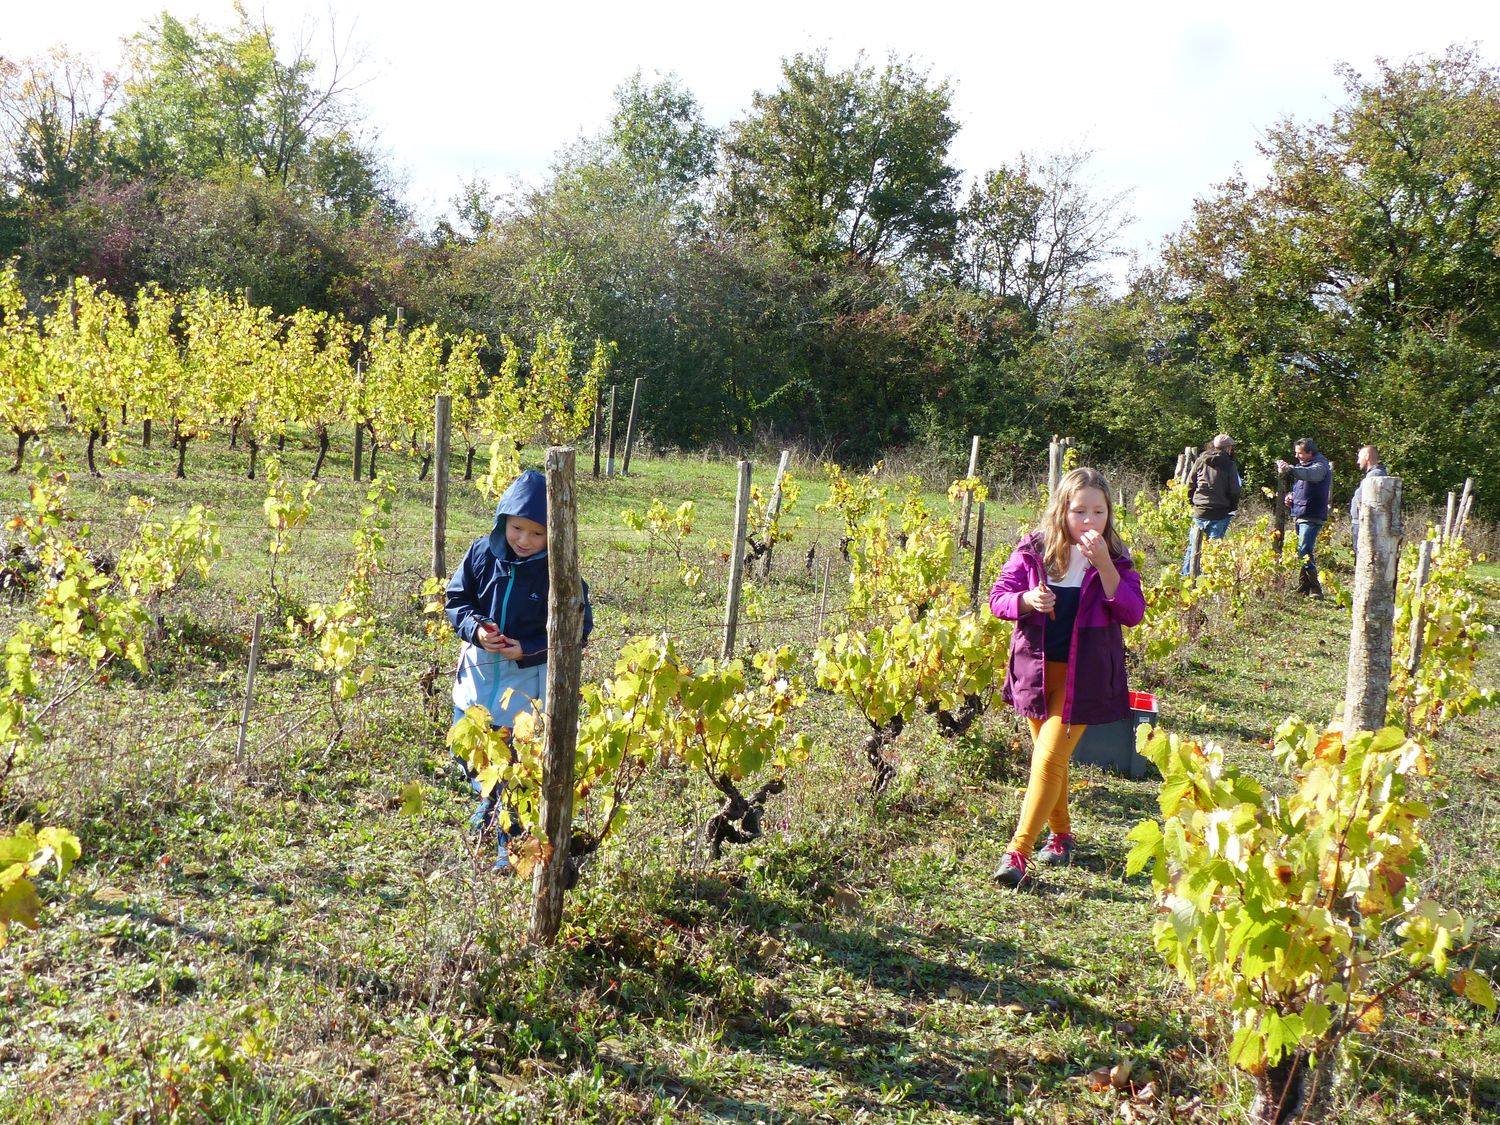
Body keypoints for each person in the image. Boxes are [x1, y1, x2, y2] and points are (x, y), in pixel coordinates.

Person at [987, 467, 1146, 888]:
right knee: (1048, 758)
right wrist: (1026, 600)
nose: (1090, 521)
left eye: (1098, 511)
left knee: (1049, 758)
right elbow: (998, 598)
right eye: (1080, 511)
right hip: (1036, 672)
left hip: (1084, 678)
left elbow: (1132, 612)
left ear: (1110, 514)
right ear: (1062, 511)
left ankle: (1018, 852)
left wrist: (1104, 566)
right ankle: (1060, 838)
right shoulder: (1034, 550)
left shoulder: (1115, 558)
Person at [445, 469, 593, 872]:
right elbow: (456, 600)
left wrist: (526, 650)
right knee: (466, 753)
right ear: (502, 522)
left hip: (523, 688)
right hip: (475, 683)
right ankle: (487, 801)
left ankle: (507, 853)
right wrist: (475, 628)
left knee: (511, 773)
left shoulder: (560, 574)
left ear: (553, 535)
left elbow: (576, 631)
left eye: (536, 533)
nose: (524, 540)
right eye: (516, 528)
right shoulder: (480, 554)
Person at [1277, 438, 1333, 597]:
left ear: (1310, 453)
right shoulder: (1303, 466)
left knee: (1304, 549)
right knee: (1303, 550)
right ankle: (1304, 587)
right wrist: (1291, 496)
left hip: (1312, 514)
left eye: (1300, 453)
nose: (1297, 456)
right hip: (1301, 513)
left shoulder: (1320, 466)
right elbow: (1302, 488)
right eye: (1296, 453)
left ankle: (1315, 589)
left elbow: (1311, 476)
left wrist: (1290, 469)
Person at [1181, 433, 1242, 575]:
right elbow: (1235, 490)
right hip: (1220, 512)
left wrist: (1193, 502)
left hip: (1200, 510)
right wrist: (1232, 508)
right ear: (1228, 448)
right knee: (1213, 549)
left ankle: (1186, 577)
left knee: (1193, 547)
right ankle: (1209, 580)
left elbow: (1191, 483)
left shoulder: (1201, 459)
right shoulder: (1229, 464)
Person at [1349, 445, 1388, 557]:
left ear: (1367, 456)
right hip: (1360, 521)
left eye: (1359, 457)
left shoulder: (1375, 475)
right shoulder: (1373, 474)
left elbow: (1366, 499)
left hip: (1364, 522)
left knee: (1363, 556)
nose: (1357, 461)